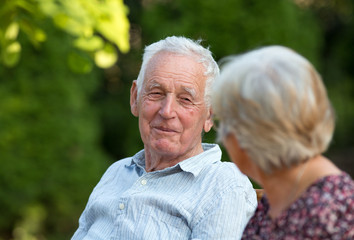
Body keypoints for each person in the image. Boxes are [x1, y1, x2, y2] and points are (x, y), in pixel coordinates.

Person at [72, 36, 257, 240]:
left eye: (185, 99)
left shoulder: (222, 185)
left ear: (210, 115)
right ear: (135, 99)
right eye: (156, 93)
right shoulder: (116, 173)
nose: (167, 111)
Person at [212, 45, 354, 239]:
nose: (223, 137)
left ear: (247, 136)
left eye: (225, 123)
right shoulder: (283, 190)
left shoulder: (328, 211)